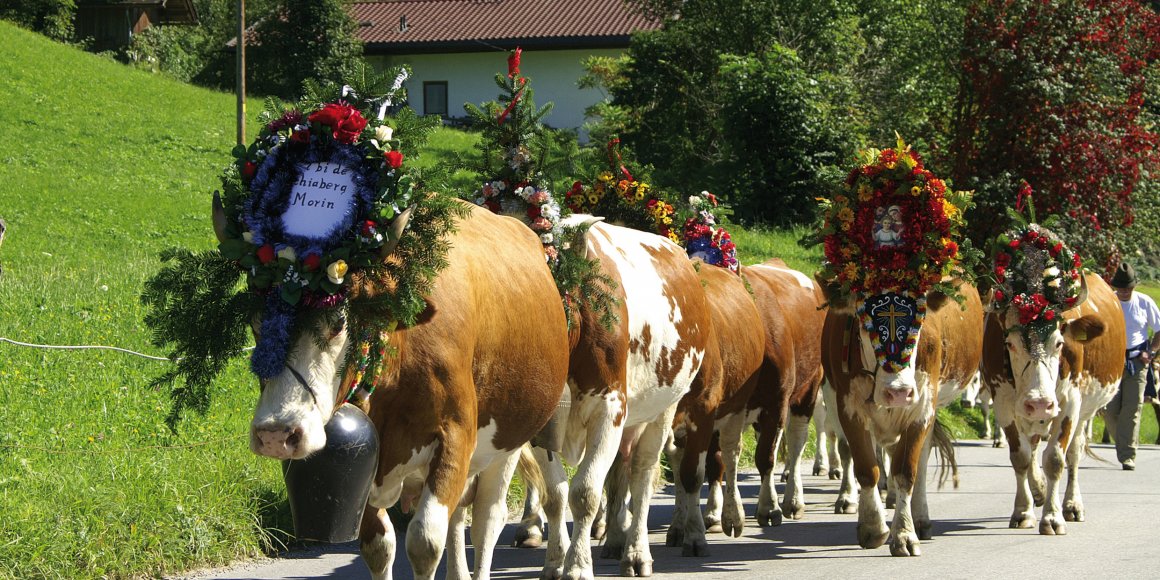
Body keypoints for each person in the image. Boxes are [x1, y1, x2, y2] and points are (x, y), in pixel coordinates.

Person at [1104, 261, 1160, 470]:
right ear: (1115, 287)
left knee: (1132, 408)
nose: (1125, 291)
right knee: (1109, 410)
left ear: (1134, 286)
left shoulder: (1144, 302)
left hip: (1138, 361)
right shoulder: (1109, 302)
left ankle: (1127, 455)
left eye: (1128, 288)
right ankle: (1124, 442)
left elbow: (1159, 330)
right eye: (1121, 288)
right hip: (1112, 361)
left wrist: (1151, 352)